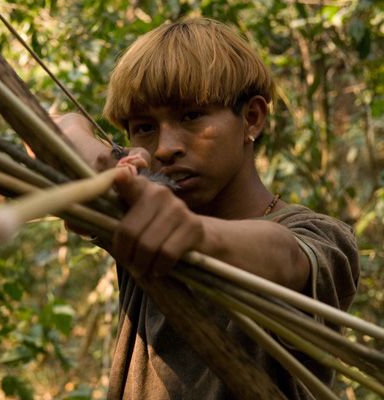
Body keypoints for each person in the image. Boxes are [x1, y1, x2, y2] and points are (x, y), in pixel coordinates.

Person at [55, 18, 360, 399]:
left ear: (252, 118)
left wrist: (195, 234)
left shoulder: (322, 237)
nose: (165, 147)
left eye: (191, 116)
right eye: (144, 127)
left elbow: (286, 258)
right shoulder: (137, 206)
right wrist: (86, 141)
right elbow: (54, 133)